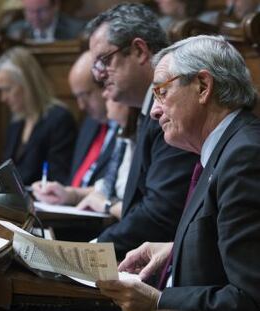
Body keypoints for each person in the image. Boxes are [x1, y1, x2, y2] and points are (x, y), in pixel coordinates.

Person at [96, 34, 260, 311]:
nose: (154, 112)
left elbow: (249, 299)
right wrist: (177, 249)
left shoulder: (245, 158)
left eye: (162, 92)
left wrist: (156, 302)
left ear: (203, 86)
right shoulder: (226, 148)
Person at [85, 3, 198, 260]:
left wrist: (93, 250)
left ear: (139, 51)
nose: (100, 75)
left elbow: (160, 213)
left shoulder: (171, 110)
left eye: (104, 61)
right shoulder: (145, 108)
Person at [33, 95, 139, 219]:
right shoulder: (123, 132)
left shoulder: (144, 135)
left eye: (110, 88)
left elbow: (149, 210)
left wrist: (107, 206)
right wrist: (69, 194)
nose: (104, 94)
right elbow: (109, 186)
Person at [0, 47, 77, 185]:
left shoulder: (59, 119)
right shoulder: (16, 122)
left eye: (7, 90)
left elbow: (57, 178)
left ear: (27, 84)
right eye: (0, 91)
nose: (3, 98)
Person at [67, 51, 118, 188]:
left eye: (86, 95)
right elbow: (75, 179)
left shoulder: (129, 125)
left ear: (105, 85)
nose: (81, 106)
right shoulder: (89, 123)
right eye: (77, 97)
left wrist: (74, 196)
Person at [6, 0, 85, 42]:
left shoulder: (76, 31)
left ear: (55, 6)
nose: (35, 17)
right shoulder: (15, 31)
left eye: (40, 11)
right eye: (30, 11)